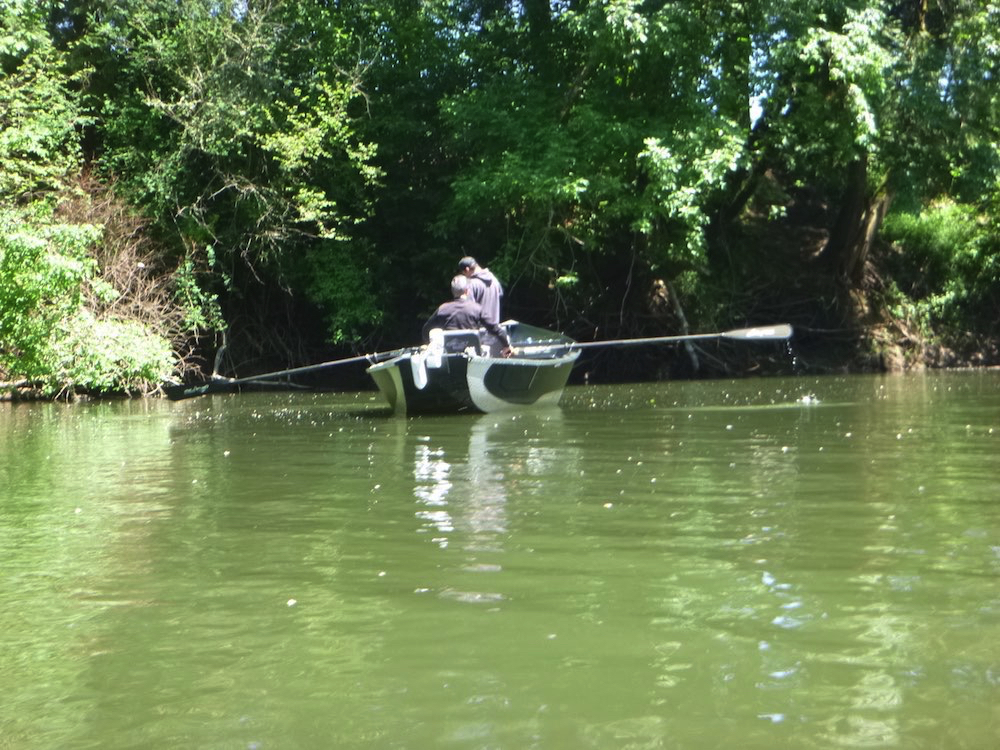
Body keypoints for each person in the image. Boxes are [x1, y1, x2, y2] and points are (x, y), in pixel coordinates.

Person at [422, 275, 511, 356]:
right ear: (467, 291)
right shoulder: (476, 308)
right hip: (472, 355)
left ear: (453, 291)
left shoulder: (443, 309)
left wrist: (427, 343)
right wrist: (506, 345)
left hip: (449, 356)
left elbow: (426, 328)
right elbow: (494, 328)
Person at [458, 256, 504, 328]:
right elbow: (500, 294)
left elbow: (468, 309)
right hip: (495, 330)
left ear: (467, 270)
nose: (466, 277)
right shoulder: (494, 279)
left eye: (464, 274)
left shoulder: (471, 284)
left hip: (479, 333)